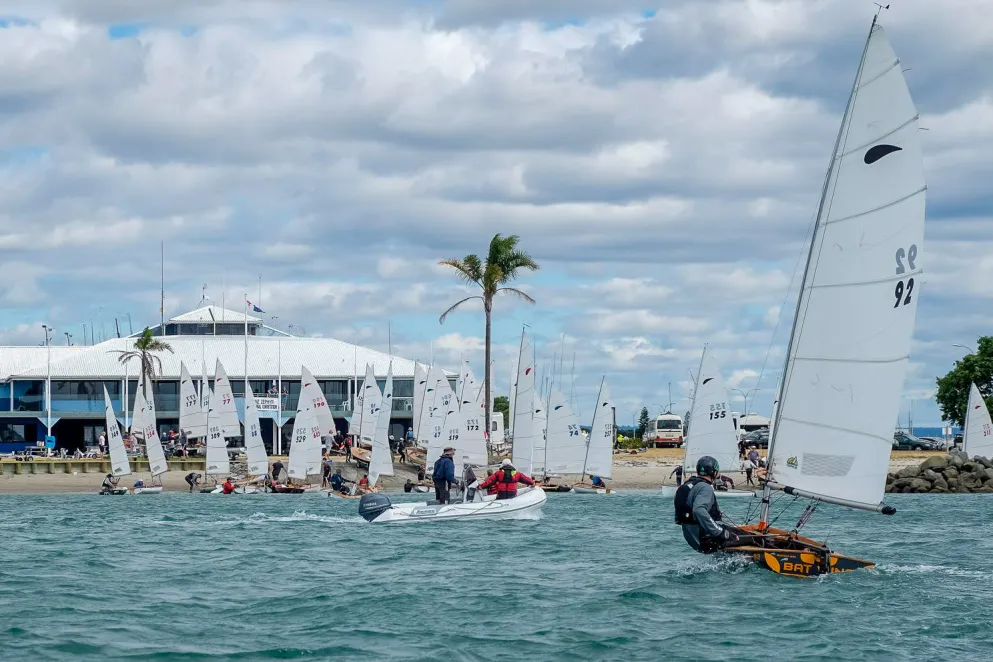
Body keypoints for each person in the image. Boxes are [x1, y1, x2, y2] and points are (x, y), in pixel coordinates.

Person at [674, 456, 746, 554]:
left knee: (735, 532)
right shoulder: (705, 487)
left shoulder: (686, 486)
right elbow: (698, 509)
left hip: (693, 539)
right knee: (749, 537)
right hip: (707, 538)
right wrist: (719, 532)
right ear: (714, 472)